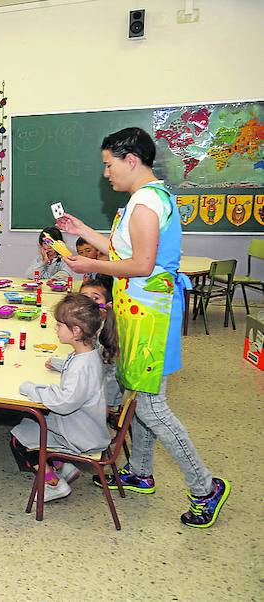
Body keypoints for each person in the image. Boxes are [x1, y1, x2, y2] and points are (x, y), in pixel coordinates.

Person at [56, 126, 229, 528]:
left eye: (108, 165)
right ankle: (141, 471)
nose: (106, 174)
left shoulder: (146, 204)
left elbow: (142, 266)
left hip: (151, 319)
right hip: (140, 315)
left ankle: (205, 486)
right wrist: (82, 232)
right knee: (139, 396)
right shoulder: (143, 200)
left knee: (151, 406)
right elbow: (124, 251)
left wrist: (89, 266)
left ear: (130, 160)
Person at [11, 294, 114, 501]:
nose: (56, 329)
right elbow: (76, 378)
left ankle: (55, 484)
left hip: (80, 435)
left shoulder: (81, 366)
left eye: (59, 325)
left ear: (76, 331)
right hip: (85, 426)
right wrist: (59, 365)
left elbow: (64, 403)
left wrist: (32, 389)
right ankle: (62, 467)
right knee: (28, 421)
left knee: (18, 440)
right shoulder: (87, 354)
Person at [77, 278, 122, 407]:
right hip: (96, 388)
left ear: (108, 305)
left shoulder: (107, 331)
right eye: (84, 298)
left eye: (96, 298)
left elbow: (93, 365)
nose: (89, 303)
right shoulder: (92, 327)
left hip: (104, 398)